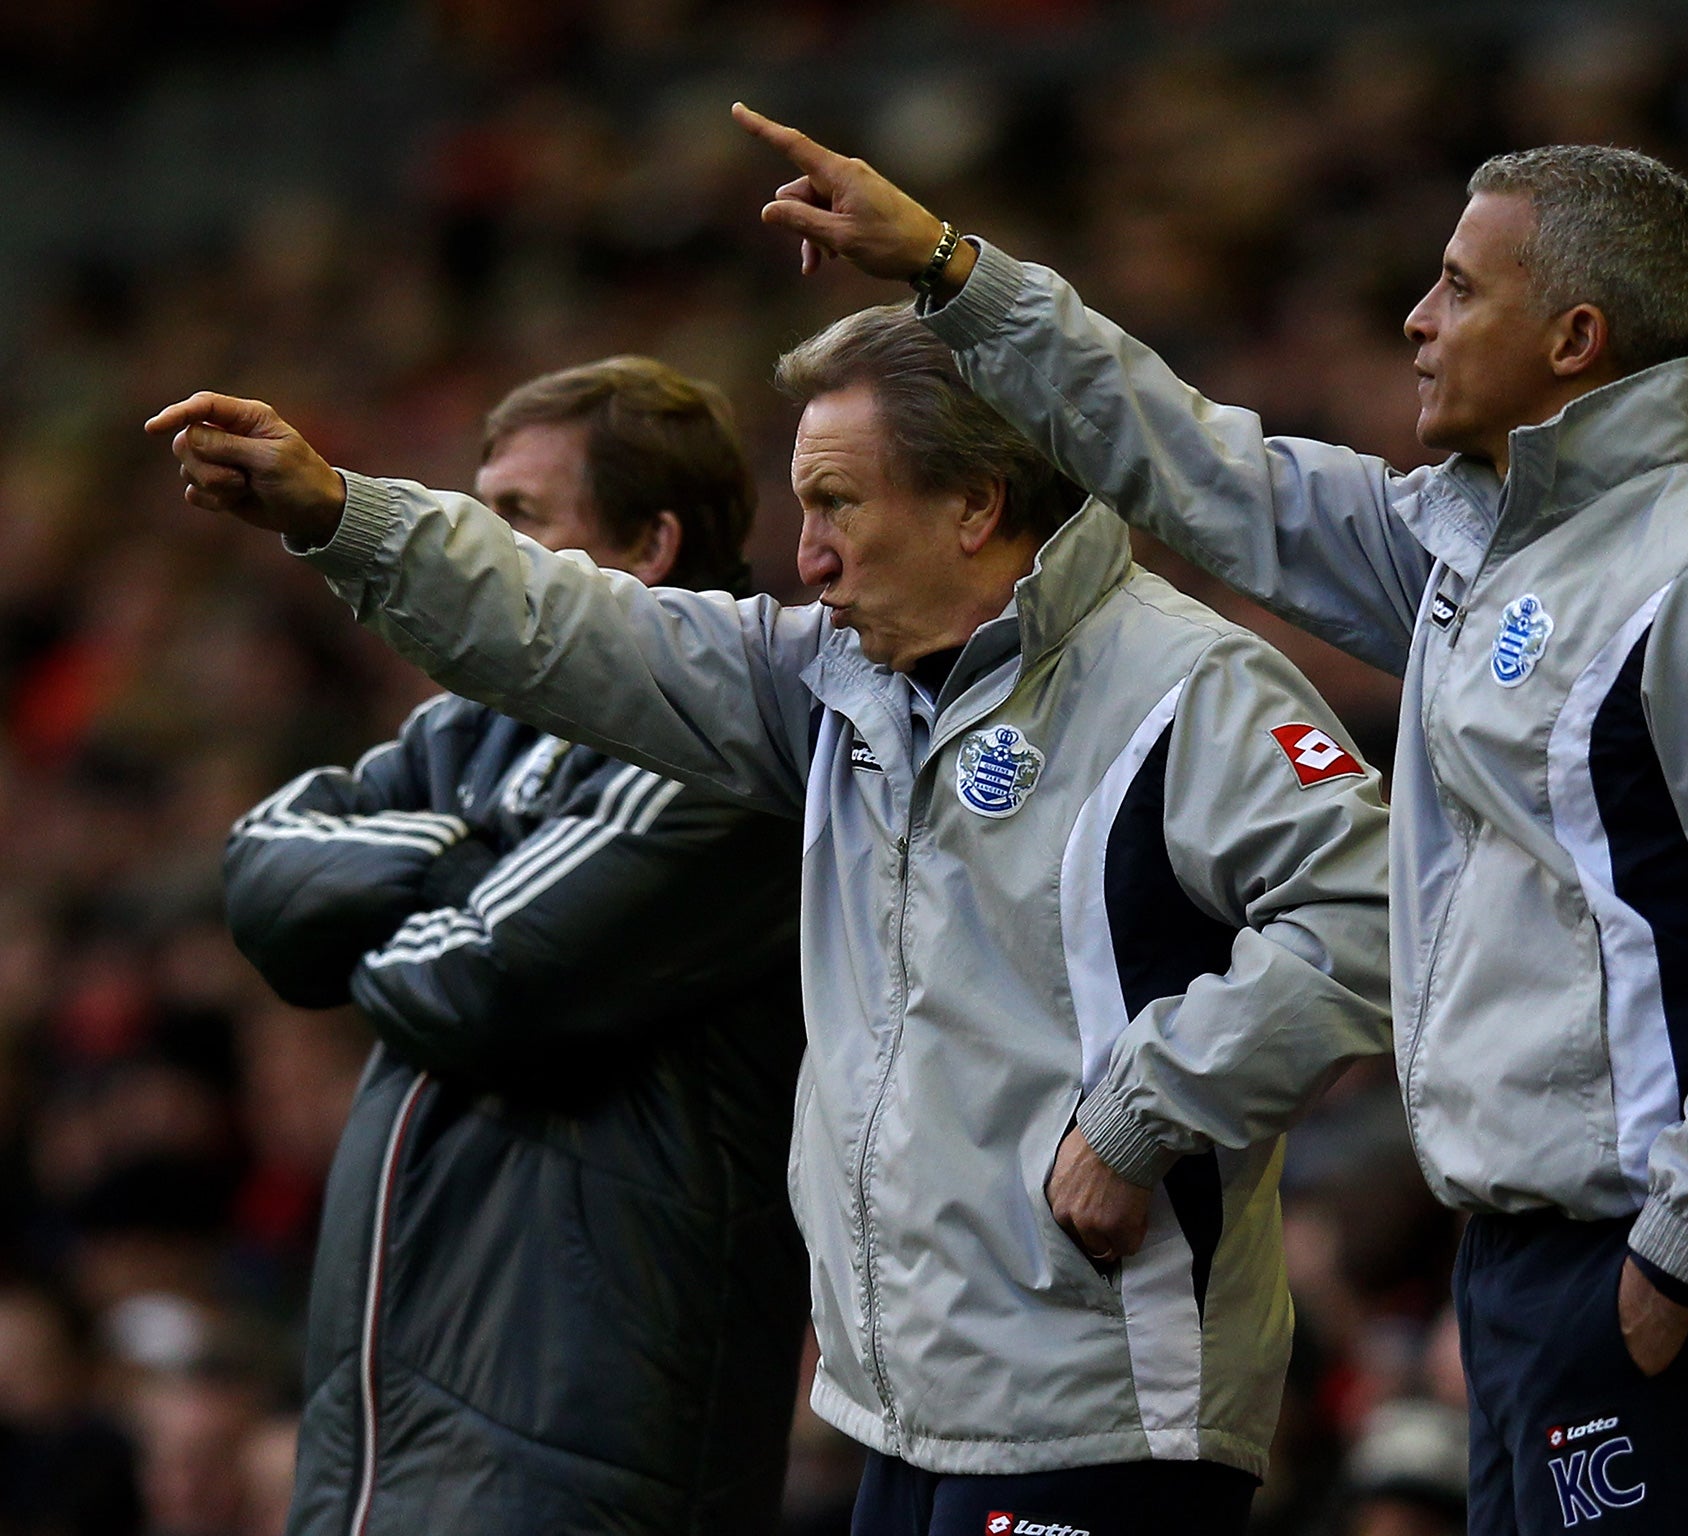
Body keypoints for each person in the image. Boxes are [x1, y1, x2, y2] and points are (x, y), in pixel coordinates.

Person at [730, 105, 1688, 1534]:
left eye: (1462, 289)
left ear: (1576, 341)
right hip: (1531, 1257)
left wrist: (1682, 1252)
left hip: (1661, 1252)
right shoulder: (1463, 551)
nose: (1419, 320)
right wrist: (951, 269)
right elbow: (1196, 463)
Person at [148, 302, 1396, 1536]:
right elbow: (566, 623)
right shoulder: (827, 687)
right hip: (901, 1418)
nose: (806, 557)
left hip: (1101, 1408)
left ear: (975, 505)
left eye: (838, 505)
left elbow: (1370, 909)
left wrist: (1142, 1113)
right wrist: (336, 512)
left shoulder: (1185, 686)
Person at [218, 358, 809, 1535]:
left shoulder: (735, 747)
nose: (470, 552)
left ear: (647, 545)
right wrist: (471, 858)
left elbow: (476, 978)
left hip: (579, 1439)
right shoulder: (467, 727)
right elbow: (259, 871)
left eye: (517, 521)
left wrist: (395, 906)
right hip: (391, 1433)